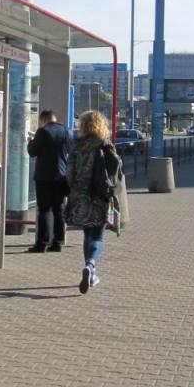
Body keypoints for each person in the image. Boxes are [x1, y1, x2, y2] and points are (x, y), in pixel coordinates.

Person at [66, 109, 119, 294]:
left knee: (87, 233)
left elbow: (69, 172)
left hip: (79, 196)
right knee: (97, 236)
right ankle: (90, 266)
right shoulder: (104, 144)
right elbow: (115, 169)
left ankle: (90, 271)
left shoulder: (76, 145)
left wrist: (72, 189)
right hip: (99, 195)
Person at [26, 109, 70, 252]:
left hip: (44, 177)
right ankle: (57, 242)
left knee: (44, 210)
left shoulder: (42, 131)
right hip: (61, 176)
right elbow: (71, 150)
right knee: (58, 210)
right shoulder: (65, 131)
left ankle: (42, 243)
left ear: (43, 119)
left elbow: (32, 152)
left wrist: (30, 142)